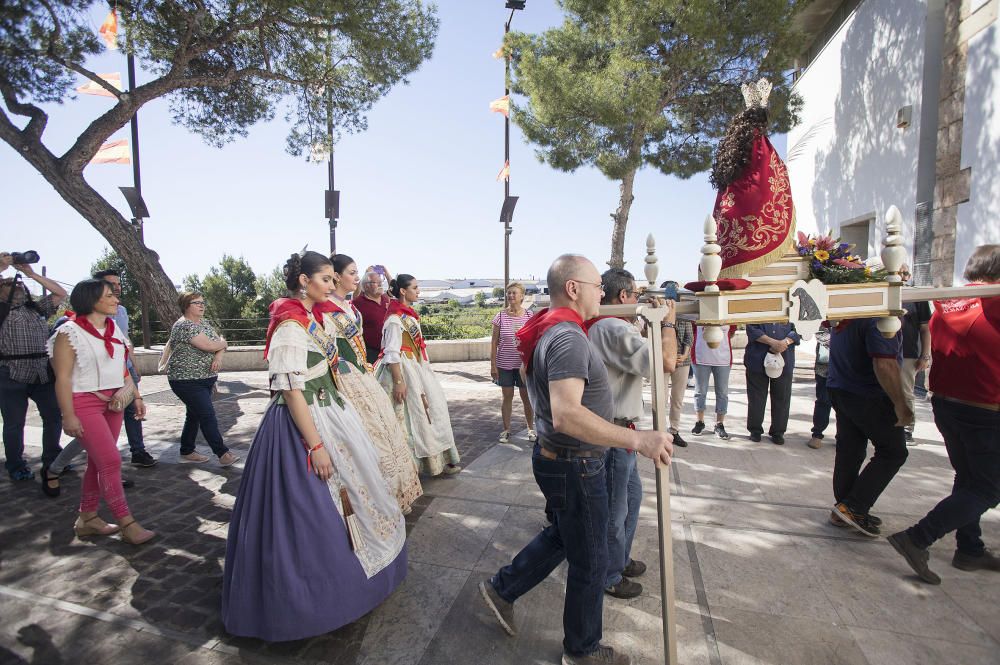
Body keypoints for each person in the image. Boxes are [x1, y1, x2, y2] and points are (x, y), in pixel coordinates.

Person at [479, 254, 673, 665]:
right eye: (595, 285)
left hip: (563, 459)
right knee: (591, 559)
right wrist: (637, 441)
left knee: (566, 537)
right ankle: (582, 651)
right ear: (573, 288)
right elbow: (567, 413)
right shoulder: (567, 337)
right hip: (574, 462)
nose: (602, 292)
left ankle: (502, 589)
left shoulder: (559, 329)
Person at [223, 251, 407, 641]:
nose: (330, 285)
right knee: (310, 514)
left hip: (331, 412)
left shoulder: (313, 317)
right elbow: (290, 391)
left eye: (330, 278)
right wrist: (317, 446)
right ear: (304, 282)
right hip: (307, 424)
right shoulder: (289, 326)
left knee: (363, 490)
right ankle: (310, 602)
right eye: (324, 279)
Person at [888, 245, 1000, 584]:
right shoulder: (990, 302)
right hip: (984, 406)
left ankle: (969, 548)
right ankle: (919, 537)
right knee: (987, 488)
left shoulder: (950, 302)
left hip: (949, 403)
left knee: (967, 478)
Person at [587, 268, 676, 601]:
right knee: (615, 509)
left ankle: (618, 559)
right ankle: (609, 574)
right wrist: (668, 322)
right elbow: (665, 361)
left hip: (621, 428)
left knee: (630, 500)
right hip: (613, 431)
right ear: (623, 297)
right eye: (636, 295)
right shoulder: (612, 328)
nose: (639, 300)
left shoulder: (616, 326)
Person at [47, 279, 155, 545]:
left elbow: (122, 366)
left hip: (115, 402)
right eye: (109, 295)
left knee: (98, 462)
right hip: (84, 403)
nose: (116, 300)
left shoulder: (113, 328)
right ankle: (126, 522)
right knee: (111, 462)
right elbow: (62, 378)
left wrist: (136, 396)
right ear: (91, 300)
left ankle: (87, 518)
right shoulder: (68, 332)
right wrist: (68, 415)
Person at [329, 254, 422, 514]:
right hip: (346, 377)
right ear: (336, 276)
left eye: (358, 272)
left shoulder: (352, 307)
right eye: (352, 272)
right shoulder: (330, 308)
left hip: (363, 373)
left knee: (383, 433)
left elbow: (394, 293)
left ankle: (391, 493)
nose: (357, 277)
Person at [827, 317, 913, 537]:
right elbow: (884, 363)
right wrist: (901, 405)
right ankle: (853, 506)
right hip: (868, 395)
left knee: (850, 451)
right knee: (893, 452)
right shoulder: (877, 315)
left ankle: (844, 508)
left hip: (841, 388)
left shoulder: (849, 311)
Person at [375, 274, 461, 476]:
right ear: (403, 291)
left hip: (416, 366)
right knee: (410, 420)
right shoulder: (395, 319)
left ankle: (437, 462)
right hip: (404, 370)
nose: (418, 291)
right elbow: (392, 352)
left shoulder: (407, 314)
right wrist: (398, 382)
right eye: (414, 287)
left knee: (431, 413)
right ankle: (409, 470)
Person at [0, 256, 66, 482]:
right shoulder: (1, 310)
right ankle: (16, 465)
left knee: (53, 417)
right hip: (11, 372)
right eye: (8, 284)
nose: (15, 286)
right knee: (14, 423)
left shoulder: (36, 308)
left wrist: (31, 274)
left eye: (18, 284)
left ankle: (52, 459)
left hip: (41, 371)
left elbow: (60, 294)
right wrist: (3, 266)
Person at [165, 292, 239, 466]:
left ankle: (187, 450)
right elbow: (211, 345)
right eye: (196, 303)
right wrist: (221, 346)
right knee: (207, 415)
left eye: (202, 302)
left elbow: (220, 341)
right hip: (186, 380)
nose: (202, 305)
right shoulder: (184, 326)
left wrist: (219, 356)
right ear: (186, 306)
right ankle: (222, 454)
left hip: (205, 379)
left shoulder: (204, 323)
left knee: (194, 416)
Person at [490, 282, 536, 443]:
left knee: (526, 397)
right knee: (506, 397)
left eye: (514, 293)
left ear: (522, 296)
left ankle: (531, 429)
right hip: (504, 364)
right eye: (508, 293)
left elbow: (534, 340)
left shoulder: (530, 316)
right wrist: (493, 365)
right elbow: (494, 342)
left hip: (523, 365)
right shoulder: (500, 316)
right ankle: (506, 430)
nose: (510, 296)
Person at [744, 322, 801, 445]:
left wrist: (784, 342)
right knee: (756, 398)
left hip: (784, 359)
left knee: (782, 397)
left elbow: (799, 327)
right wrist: (772, 342)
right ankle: (755, 430)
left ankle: (778, 432)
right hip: (757, 358)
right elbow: (752, 328)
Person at [898, 263, 931, 444]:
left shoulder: (917, 297)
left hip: (908, 354)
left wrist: (925, 355)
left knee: (906, 392)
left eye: (905, 273)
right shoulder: (884, 292)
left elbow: (925, 329)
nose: (903, 276)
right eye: (899, 272)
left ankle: (906, 429)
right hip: (883, 352)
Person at [661, 281, 692, 448]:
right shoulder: (660, 314)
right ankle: (660, 429)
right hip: (664, 359)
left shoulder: (684, 314)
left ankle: (674, 430)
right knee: (662, 396)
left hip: (682, 360)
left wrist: (684, 354)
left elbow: (689, 337)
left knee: (677, 398)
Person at [690, 324, 734, 440]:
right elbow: (693, 328)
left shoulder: (727, 311)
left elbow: (732, 331)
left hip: (722, 357)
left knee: (722, 392)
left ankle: (719, 424)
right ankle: (700, 421)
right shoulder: (698, 309)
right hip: (701, 356)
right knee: (700, 391)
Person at [353, 267, 392, 364]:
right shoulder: (359, 302)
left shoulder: (385, 298)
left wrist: (386, 273)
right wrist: (365, 273)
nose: (380, 284)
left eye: (381, 282)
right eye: (375, 282)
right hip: (371, 352)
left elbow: (394, 288)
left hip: (388, 349)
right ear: (366, 286)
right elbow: (356, 293)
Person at [808, 324, 832, 449]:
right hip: (825, 369)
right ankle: (817, 434)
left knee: (846, 404)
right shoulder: (823, 316)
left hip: (847, 368)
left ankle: (843, 436)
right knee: (823, 401)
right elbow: (820, 333)